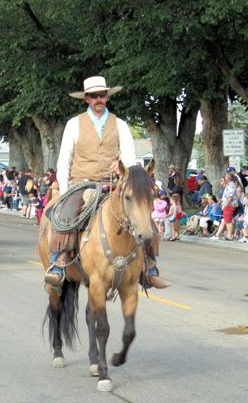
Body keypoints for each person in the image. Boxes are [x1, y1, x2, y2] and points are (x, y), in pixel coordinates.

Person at [45, 75, 168, 289]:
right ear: (86, 99)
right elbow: (63, 161)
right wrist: (65, 191)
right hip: (82, 183)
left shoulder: (120, 125)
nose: (98, 99)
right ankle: (59, 262)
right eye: (93, 96)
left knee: (143, 216)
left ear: (107, 97)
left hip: (113, 183)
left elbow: (129, 157)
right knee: (65, 215)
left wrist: (124, 169)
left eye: (102, 95)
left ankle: (149, 267)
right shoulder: (74, 124)